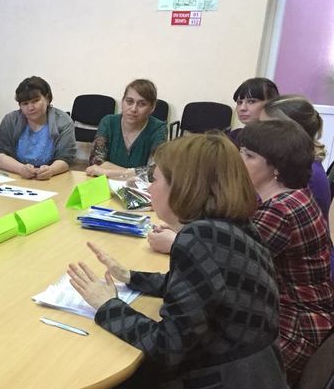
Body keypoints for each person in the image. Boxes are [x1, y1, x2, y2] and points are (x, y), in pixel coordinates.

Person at [67, 133, 286, 388]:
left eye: (155, 179)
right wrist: (130, 277)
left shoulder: (199, 238)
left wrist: (107, 305)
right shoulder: (230, 225)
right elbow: (196, 286)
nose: (149, 188)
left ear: (183, 187)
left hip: (222, 378)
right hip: (257, 372)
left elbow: (167, 346)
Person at [239, 120, 334, 386]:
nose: (238, 161)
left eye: (248, 156)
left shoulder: (279, 211)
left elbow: (228, 265)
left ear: (276, 168)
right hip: (307, 318)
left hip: (292, 330)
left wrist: (177, 236)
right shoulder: (295, 196)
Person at [261, 94, 331, 216]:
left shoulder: (305, 174)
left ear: (293, 132)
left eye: (266, 127)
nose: (259, 132)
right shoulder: (289, 162)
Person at [0, 76, 76, 179]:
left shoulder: (63, 121)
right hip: (17, 175)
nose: (30, 108)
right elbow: (1, 155)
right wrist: (21, 169)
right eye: (25, 103)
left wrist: (51, 170)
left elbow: (66, 158)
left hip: (52, 178)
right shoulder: (10, 120)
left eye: (35, 101)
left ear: (47, 99)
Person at [85, 79, 166, 179]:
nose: (133, 109)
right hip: (106, 183)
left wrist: (108, 172)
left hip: (139, 186)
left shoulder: (158, 128)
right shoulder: (108, 122)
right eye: (129, 101)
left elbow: (155, 171)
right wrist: (131, 173)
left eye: (142, 104)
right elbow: (96, 161)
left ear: (152, 107)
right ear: (122, 101)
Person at [226, 77, 279, 145]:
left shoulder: (282, 141)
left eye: (251, 101)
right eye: (239, 102)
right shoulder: (232, 137)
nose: (242, 108)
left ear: (272, 104)